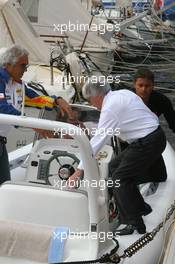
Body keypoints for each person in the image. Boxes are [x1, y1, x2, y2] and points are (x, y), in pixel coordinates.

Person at [68, 77, 167, 235]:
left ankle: (134, 224)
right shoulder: (124, 93)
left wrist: (78, 171)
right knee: (114, 166)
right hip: (156, 136)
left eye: (91, 101)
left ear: (97, 96)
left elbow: (97, 142)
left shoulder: (109, 108)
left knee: (120, 179)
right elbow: (145, 116)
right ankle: (141, 208)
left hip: (147, 142)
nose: (92, 105)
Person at [0, 45, 75, 185]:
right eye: (23, 66)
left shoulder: (19, 85)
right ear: (9, 64)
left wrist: (57, 100)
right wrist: (34, 124)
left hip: (1, 142)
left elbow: (37, 99)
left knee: (4, 184)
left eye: (26, 66)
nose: (25, 70)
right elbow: (2, 107)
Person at [134, 68, 175, 133]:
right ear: (135, 85)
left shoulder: (162, 101)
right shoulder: (127, 98)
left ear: (153, 86)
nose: (143, 89)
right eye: (140, 85)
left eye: (147, 86)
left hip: (149, 132)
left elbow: (173, 122)